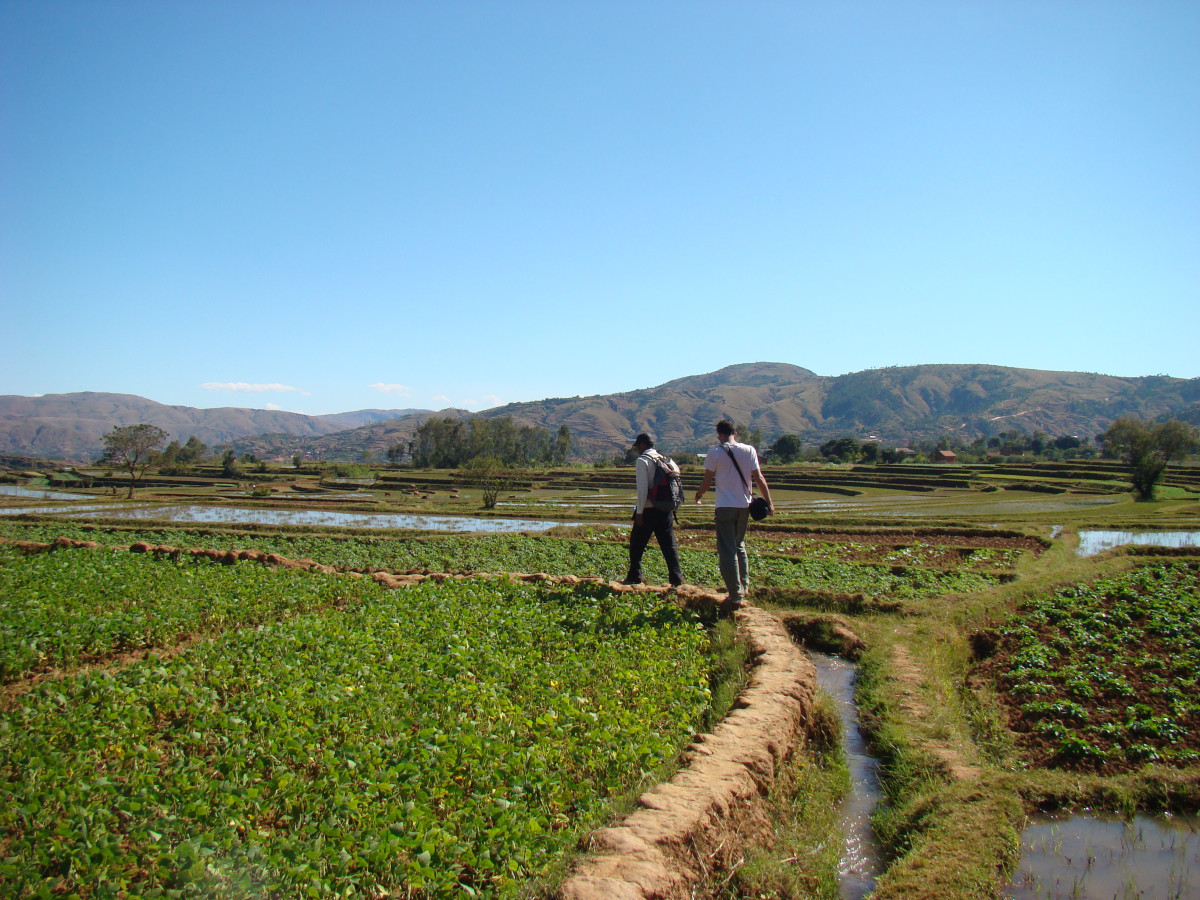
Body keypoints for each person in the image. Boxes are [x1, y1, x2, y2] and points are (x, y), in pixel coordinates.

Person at [693, 419, 774, 613]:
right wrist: (769, 502)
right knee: (739, 545)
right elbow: (759, 478)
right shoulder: (749, 450)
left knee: (727, 550)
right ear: (734, 433)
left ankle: (735, 595)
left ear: (719, 434)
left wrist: (698, 495)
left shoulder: (715, 453)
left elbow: (707, 481)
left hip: (725, 507)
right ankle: (743, 588)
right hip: (744, 506)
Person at [623, 433, 684, 588]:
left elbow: (642, 490)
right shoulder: (665, 460)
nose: (637, 449)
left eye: (637, 446)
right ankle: (676, 579)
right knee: (669, 545)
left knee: (636, 543)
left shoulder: (642, 461)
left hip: (649, 509)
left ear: (642, 445)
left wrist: (639, 513)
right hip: (665, 510)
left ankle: (635, 576)